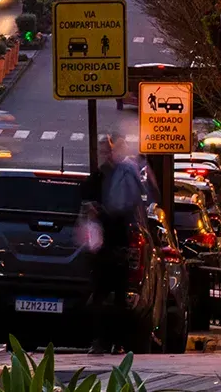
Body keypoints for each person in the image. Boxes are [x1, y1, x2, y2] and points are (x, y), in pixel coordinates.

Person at [80, 136, 143, 353]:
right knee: (102, 297)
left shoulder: (122, 175)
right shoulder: (99, 177)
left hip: (116, 248)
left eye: (108, 150)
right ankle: (104, 340)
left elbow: (128, 207)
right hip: (104, 250)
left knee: (115, 298)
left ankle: (115, 341)